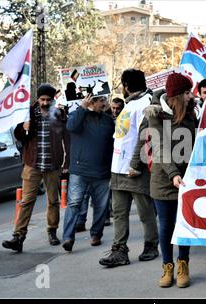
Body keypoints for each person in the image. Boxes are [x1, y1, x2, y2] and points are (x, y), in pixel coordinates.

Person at [130, 73, 196, 288]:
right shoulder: (154, 113)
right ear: (176, 95)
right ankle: (167, 266)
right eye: (187, 92)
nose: (190, 96)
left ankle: (183, 264)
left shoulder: (191, 112)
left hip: (187, 178)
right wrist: (173, 174)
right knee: (166, 225)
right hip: (162, 178)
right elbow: (158, 147)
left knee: (184, 225)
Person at [98, 69, 159, 268]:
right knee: (119, 212)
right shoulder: (131, 104)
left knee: (145, 211)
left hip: (135, 168)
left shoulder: (145, 104)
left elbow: (146, 137)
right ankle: (119, 250)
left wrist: (136, 164)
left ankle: (151, 245)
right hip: (118, 168)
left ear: (126, 85)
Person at [2, 84, 70, 253]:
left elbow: (68, 140)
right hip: (32, 164)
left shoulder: (60, 114)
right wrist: (22, 127)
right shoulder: (27, 113)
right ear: (37, 99)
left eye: (48, 99)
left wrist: (67, 162)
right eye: (42, 99)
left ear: (53, 99)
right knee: (26, 201)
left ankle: (52, 231)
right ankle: (18, 236)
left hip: (53, 164)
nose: (45, 102)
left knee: (53, 200)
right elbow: (17, 135)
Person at [62, 95, 115, 252]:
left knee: (101, 206)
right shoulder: (78, 115)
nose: (105, 103)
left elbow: (113, 142)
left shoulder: (107, 120)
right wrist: (82, 108)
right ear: (92, 102)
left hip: (102, 171)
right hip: (80, 171)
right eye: (101, 101)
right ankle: (68, 238)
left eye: (105, 101)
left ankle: (96, 235)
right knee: (74, 204)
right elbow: (71, 127)